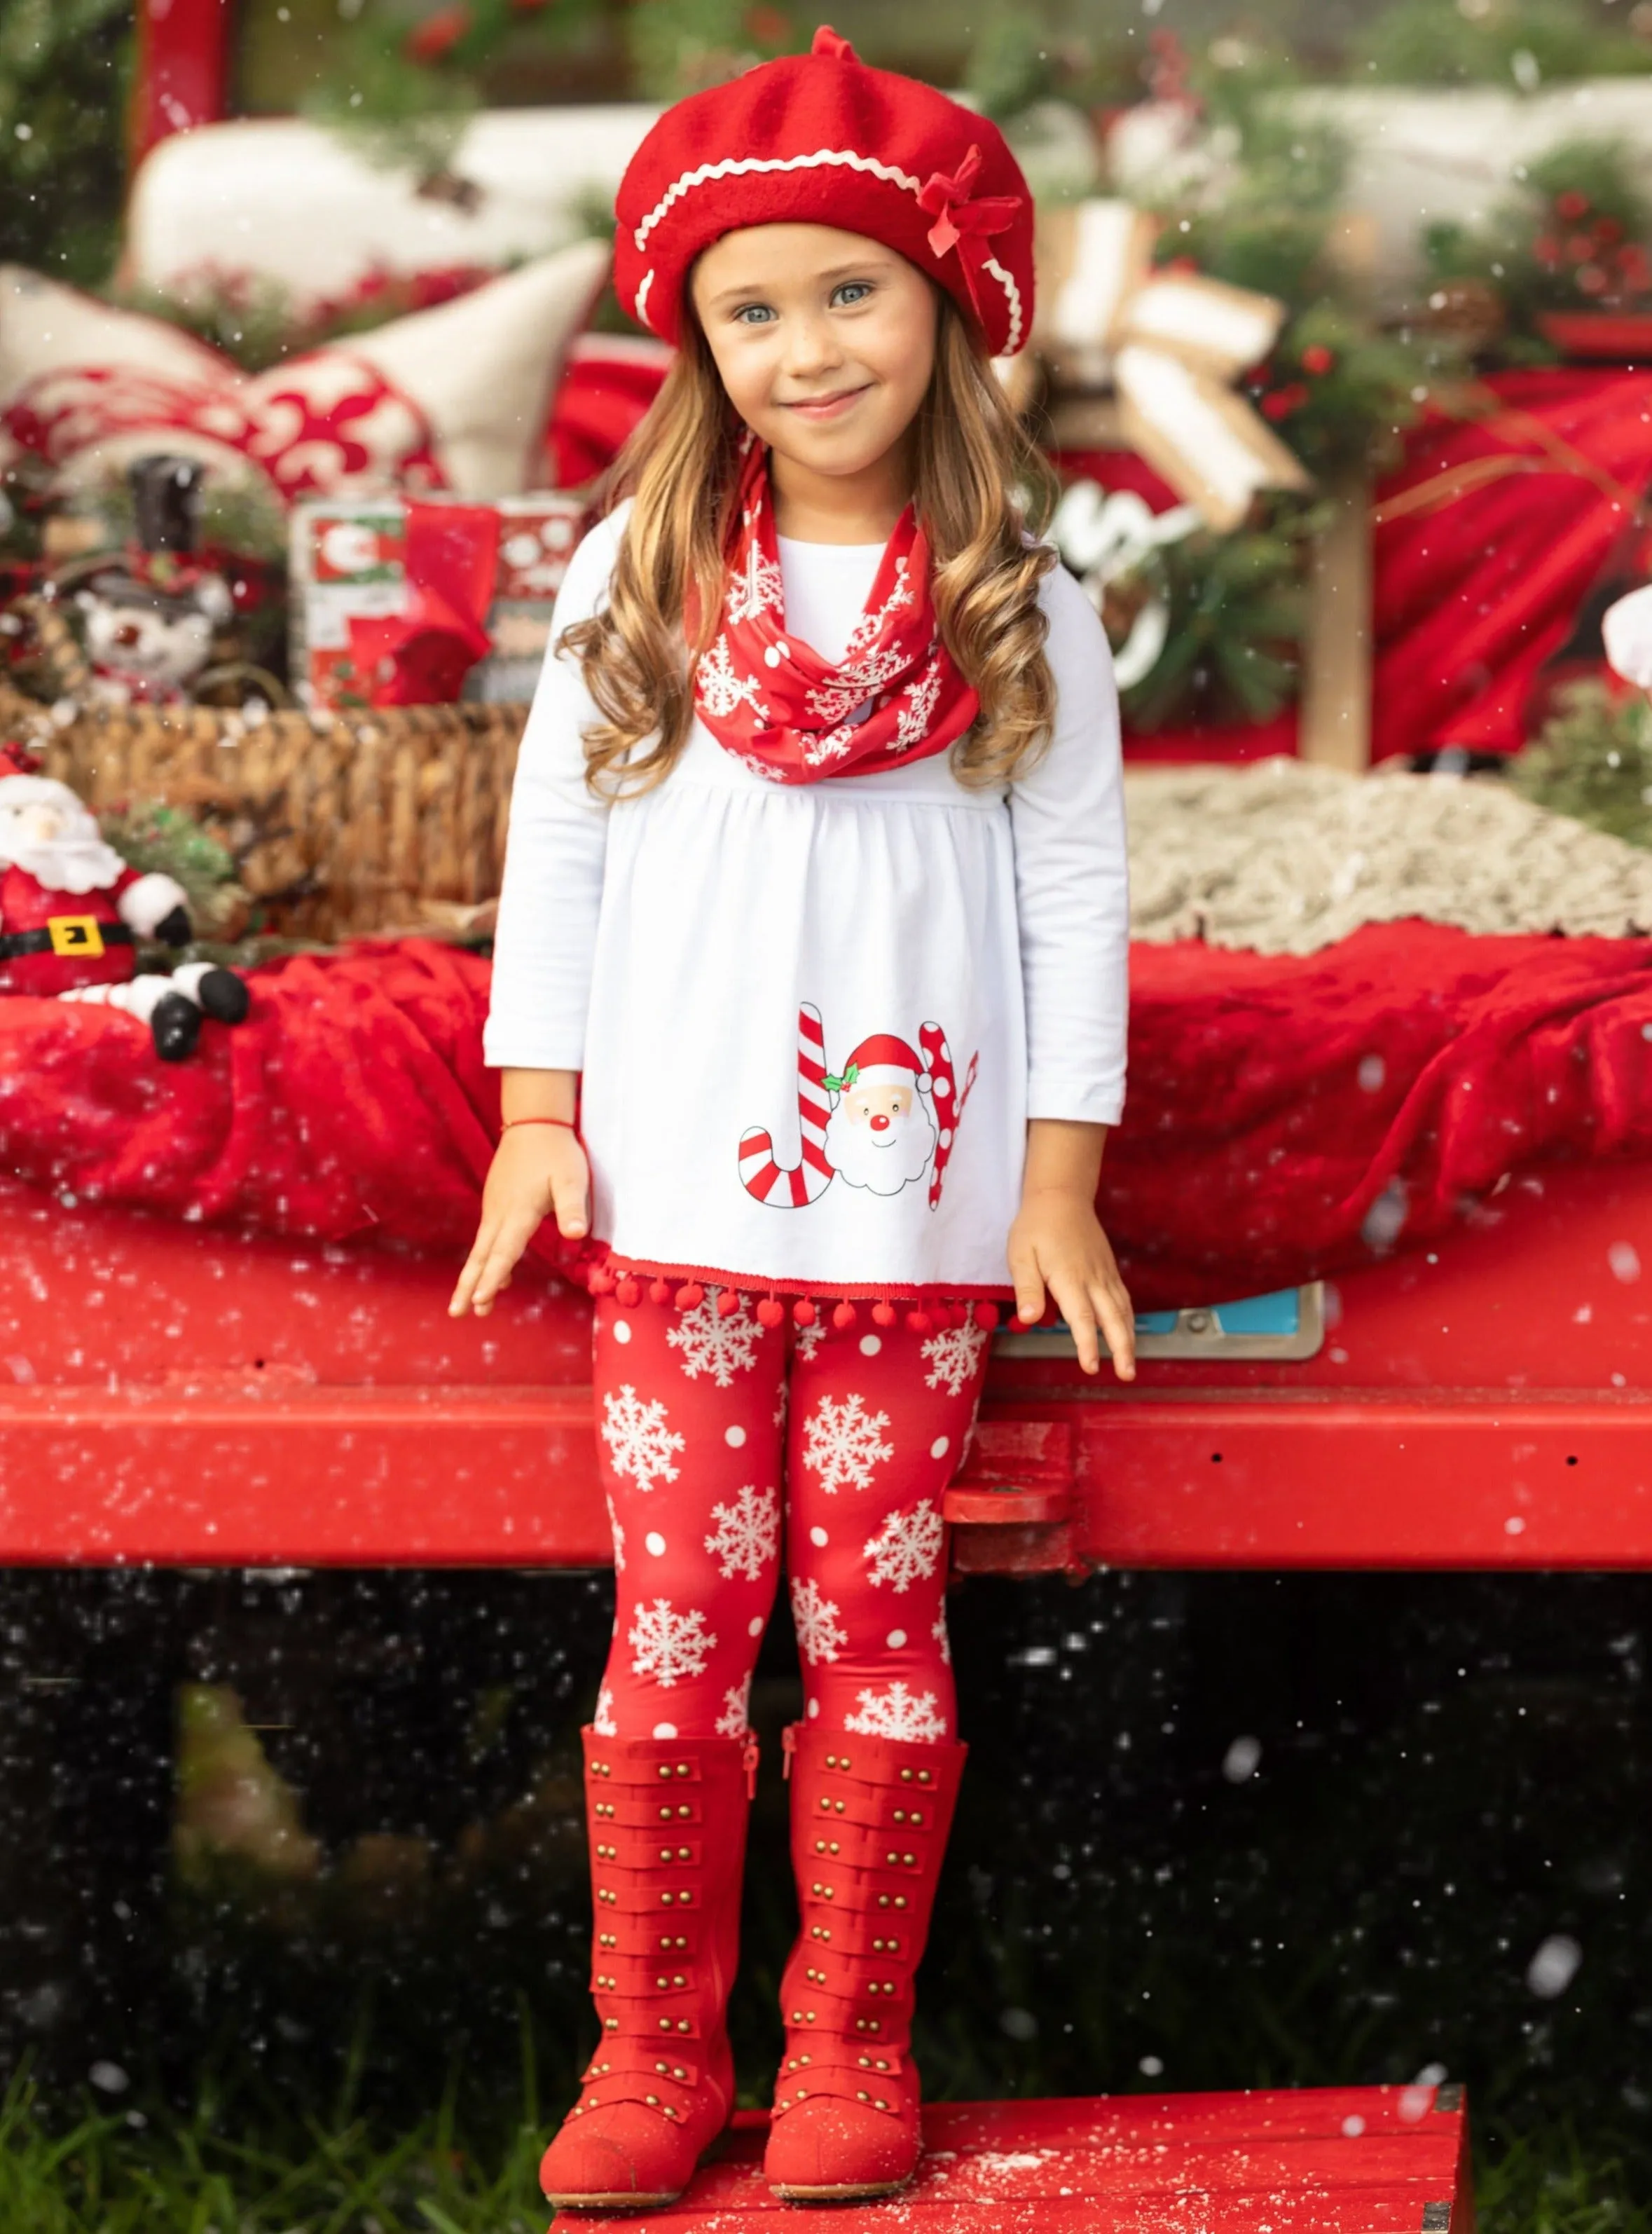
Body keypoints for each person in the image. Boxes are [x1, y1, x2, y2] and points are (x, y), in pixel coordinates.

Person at [450, 25, 1134, 2211]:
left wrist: (1059, 1174)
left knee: (878, 1620)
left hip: (909, 1214)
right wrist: (534, 1108)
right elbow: (552, 848)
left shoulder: (1021, 600)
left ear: (946, 307)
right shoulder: (628, 577)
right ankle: (653, 2041)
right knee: (672, 1623)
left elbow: (1072, 889)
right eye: (752, 306)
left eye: (851, 290)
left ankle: (847, 2035)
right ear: (694, 340)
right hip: (671, 1196)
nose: (805, 345)